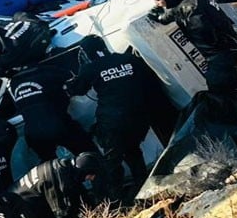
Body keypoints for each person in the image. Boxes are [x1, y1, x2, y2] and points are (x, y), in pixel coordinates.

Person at [66, 37, 172, 200]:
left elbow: (77, 90)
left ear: (87, 53)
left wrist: (73, 81)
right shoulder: (129, 59)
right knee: (133, 151)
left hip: (112, 121)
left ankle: (115, 202)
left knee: (112, 161)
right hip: (140, 119)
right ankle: (145, 189)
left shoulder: (91, 68)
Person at [148, 0, 237, 104]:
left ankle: (233, 113)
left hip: (221, 50)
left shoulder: (192, 9)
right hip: (231, 41)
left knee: (218, 85)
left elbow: (205, 38)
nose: (158, 4)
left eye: (159, 1)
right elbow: (176, 10)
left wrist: (211, 58)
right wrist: (161, 18)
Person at [4, 60, 96, 162]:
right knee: (90, 154)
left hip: (33, 133)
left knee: (51, 169)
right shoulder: (49, 72)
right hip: (57, 124)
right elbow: (74, 81)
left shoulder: (13, 82)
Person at [13, 152, 101, 218]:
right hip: (19, 205)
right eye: (91, 174)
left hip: (27, 198)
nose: (92, 178)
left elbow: (79, 194)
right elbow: (60, 213)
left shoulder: (64, 166)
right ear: (83, 171)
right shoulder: (58, 179)